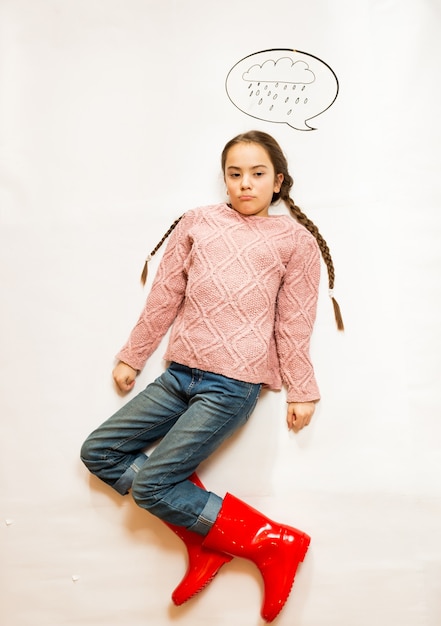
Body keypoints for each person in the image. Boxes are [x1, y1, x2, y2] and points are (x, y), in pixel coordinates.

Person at [80, 130, 343, 622]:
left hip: (232, 385)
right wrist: (133, 357)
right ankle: (206, 538)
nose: (245, 183)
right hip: (179, 375)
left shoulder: (295, 240)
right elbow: (163, 297)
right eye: (235, 173)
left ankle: (275, 543)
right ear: (224, 180)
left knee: (156, 486)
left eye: (258, 174)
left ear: (278, 182)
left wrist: (302, 389)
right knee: (99, 451)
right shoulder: (197, 223)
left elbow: (294, 321)